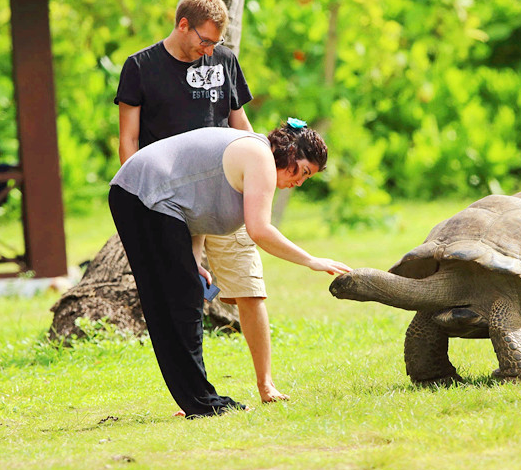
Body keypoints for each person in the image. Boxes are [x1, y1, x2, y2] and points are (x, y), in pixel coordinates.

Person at [108, 121, 351, 418]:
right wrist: (311, 260)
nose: (299, 182)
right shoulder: (260, 156)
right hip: (143, 193)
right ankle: (201, 401)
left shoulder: (253, 158)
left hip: (139, 195)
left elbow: (194, 209)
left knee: (182, 299)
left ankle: (195, 399)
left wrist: (193, 261)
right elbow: (259, 230)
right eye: (302, 172)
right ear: (289, 152)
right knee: (178, 304)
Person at [115, 0, 287, 404]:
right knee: (186, 294)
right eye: (203, 41)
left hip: (229, 191)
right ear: (182, 25)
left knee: (249, 287)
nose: (208, 50)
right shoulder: (140, 67)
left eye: (214, 43)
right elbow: (129, 141)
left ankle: (266, 385)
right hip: (172, 200)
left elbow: (239, 121)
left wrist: (263, 168)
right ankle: (197, 392)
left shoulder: (222, 60)